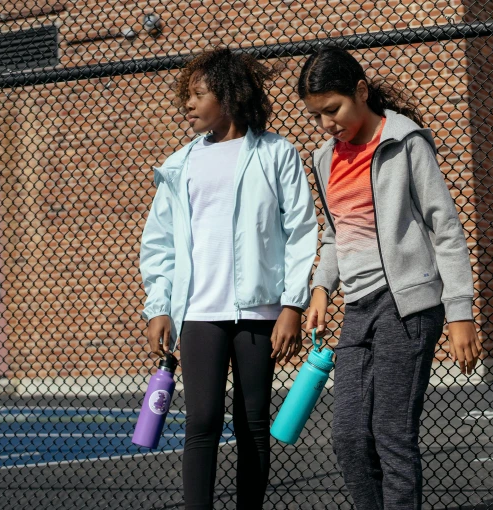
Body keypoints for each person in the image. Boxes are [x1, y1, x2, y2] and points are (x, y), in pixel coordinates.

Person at [299, 47, 483, 510]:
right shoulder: (326, 159)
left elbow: (444, 226)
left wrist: (460, 311)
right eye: (317, 115)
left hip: (408, 305)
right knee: (347, 438)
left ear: (361, 92)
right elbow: (336, 232)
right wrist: (322, 287)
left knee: (391, 436)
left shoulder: (406, 142)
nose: (327, 124)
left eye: (333, 110)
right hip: (358, 308)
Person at [139, 48, 318, 510]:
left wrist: (292, 305)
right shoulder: (179, 165)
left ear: (229, 94)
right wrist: (159, 305)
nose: (188, 105)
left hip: (261, 311)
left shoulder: (277, 153)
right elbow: (159, 243)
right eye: (187, 96)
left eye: (198, 94)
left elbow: (300, 231)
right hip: (198, 311)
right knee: (201, 421)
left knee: (253, 422)